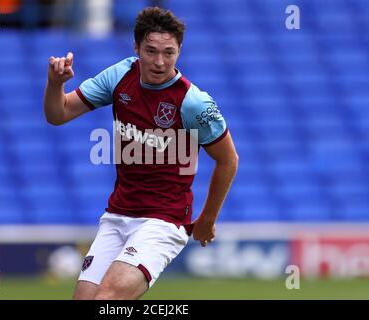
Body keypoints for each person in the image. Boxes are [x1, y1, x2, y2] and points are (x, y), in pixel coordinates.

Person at [44, 7, 239, 300]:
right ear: (136, 47)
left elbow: (228, 159)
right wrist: (56, 83)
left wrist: (207, 220)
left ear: (179, 51)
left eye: (169, 52)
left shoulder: (193, 102)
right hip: (118, 214)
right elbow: (58, 114)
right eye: (150, 51)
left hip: (163, 221)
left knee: (107, 300)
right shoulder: (121, 75)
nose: (160, 62)